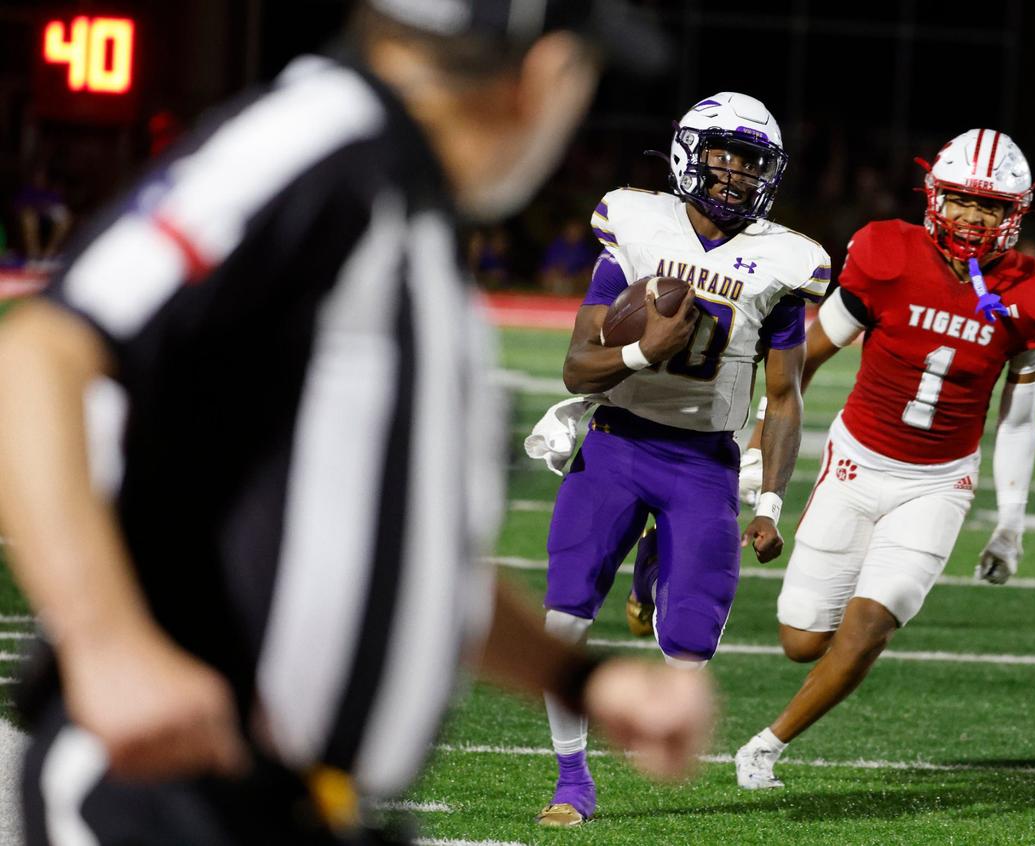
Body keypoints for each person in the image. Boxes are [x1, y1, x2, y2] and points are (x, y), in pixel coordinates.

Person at [0, 2, 714, 844]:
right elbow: (36, 354)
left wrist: (576, 679)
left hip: (299, 807)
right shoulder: (323, 142)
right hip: (171, 795)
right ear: (543, 72)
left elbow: (393, 539)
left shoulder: (398, 199)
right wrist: (108, 646)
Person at [525, 91, 830, 826]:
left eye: (753, 162)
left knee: (690, 648)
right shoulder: (636, 222)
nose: (737, 174)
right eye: (726, 155)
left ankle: (659, 562)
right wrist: (640, 350)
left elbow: (784, 398)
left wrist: (769, 503)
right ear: (690, 152)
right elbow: (578, 367)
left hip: (704, 461)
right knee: (565, 614)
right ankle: (573, 782)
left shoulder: (786, 261)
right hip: (618, 441)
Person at [734, 128, 1035, 789]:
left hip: (937, 486)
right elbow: (801, 363)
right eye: (963, 200)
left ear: (1015, 214)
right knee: (802, 641)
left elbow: (1018, 419)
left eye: (991, 206)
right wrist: (754, 452)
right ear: (934, 197)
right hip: (855, 464)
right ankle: (832, 631)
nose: (974, 217)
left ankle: (765, 747)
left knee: (866, 628)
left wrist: (1012, 522)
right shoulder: (886, 254)